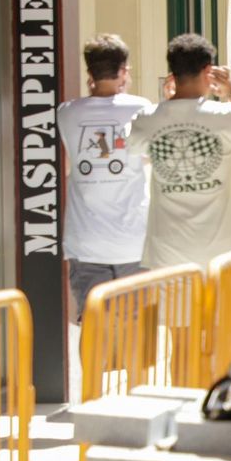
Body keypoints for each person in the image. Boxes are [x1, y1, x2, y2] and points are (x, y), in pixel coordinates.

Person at [129, 34, 231, 270]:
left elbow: (133, 146)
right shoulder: (227, 117)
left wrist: (167, 104)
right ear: (208, 70)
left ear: (172, 72)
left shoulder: (148, 119)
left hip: (167, 255)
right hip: (225, 256)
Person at [56, 34, 151, 323]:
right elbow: (149, 156)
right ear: (123, 70)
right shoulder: (141, 109)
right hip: (133, 240)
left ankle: (92, 371)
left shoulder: (67, 113)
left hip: (85, 241)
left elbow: (66, 165)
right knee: (136, 326)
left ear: (89, 73)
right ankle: (136, 372)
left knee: (92, 323)